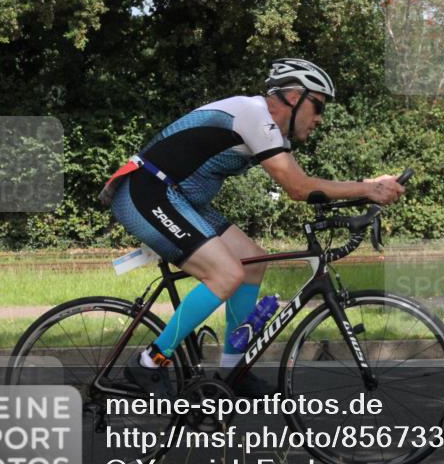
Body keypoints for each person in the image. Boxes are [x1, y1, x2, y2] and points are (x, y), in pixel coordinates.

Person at [102, 58, 404, 398]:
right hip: (147, 191)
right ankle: (150, 361)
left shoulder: (272, 133)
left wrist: (366, 189)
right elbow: (298, 188)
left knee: (254, 262)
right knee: (226, 274)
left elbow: (308, 187)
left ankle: (233, 370)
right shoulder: (253, 114)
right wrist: (367, 189)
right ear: (292, 97)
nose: (319, 118)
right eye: (317, 106)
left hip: (180, 200)